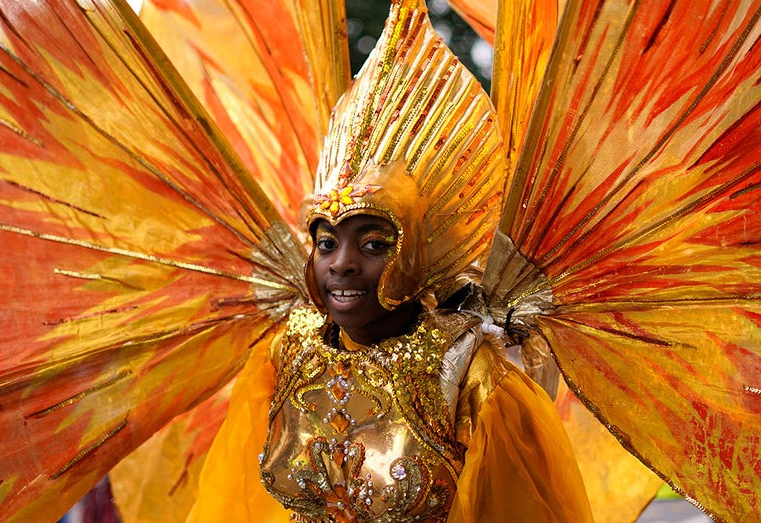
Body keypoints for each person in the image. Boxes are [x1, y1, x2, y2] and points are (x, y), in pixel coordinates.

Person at [187, 2, 593, 521]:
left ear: (419, 252)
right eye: (327, 242)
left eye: (374, 244)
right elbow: (234, 504)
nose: (342, 265)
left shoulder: (470, 370)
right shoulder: (285, 354)